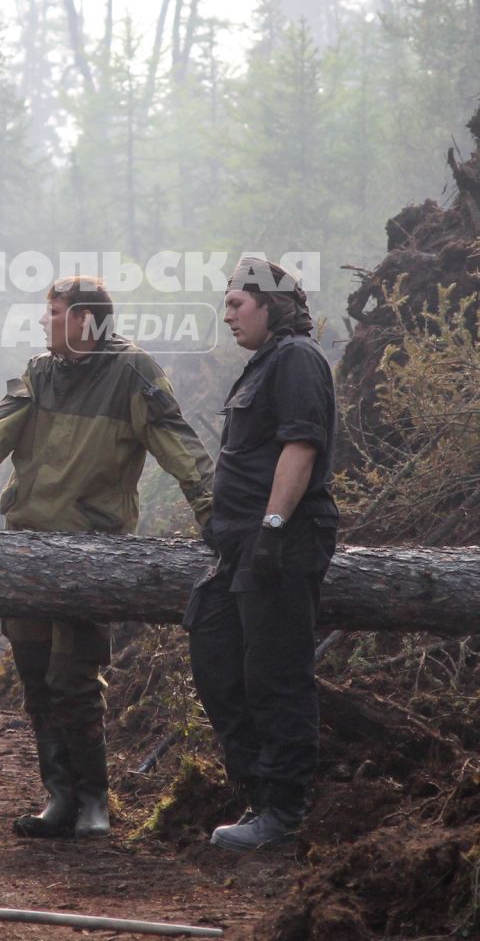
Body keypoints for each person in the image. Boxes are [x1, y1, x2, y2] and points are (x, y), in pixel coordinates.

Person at [0, 276, 215, 838]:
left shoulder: (132, 373)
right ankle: (59, 797)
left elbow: (177, 441)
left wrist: (210, 508)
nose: (43, 321)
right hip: (28, 549)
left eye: (52, 312)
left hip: (93, 554)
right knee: (34, 676)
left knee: (74, 679)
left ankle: (94, 801)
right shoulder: (39, 372)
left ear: (83, 320)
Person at [185, 254, 337, 854]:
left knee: (276, 675)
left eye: (236, 304)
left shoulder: (297, 359)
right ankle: (255, 793)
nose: (227, 316)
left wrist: (273, 528)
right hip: (242, 544)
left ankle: (283, 813)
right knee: (216, 653)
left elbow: (300, 447)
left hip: (282, 541)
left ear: (269, 304)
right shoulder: (262, 365)